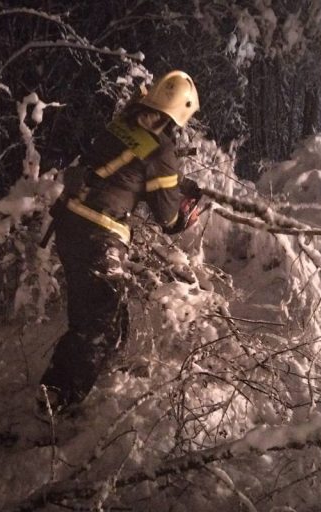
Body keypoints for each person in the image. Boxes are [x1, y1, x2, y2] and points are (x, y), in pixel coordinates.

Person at [38, 70, 202, 416]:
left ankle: (76, 386)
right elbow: (169, 220)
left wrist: (173, 183)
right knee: (99, 328)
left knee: (105, 319)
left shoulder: (124, 123)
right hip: (98, 235)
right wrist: (188, 210)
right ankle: (55, 406)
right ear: (179, 116)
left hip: (71, 225)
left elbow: (125, 171)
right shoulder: (162, 150)